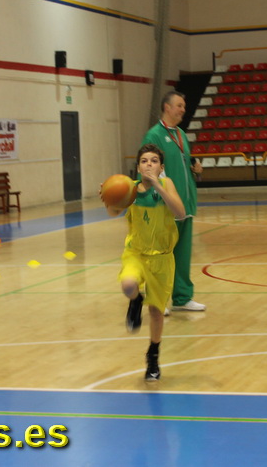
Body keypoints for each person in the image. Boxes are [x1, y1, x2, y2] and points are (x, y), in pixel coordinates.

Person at [104, 143, 185, 381]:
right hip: (136, 253)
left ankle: (153, 355)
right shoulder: (129, 189)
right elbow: (113, 212)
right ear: (138, 167)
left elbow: (180, 213)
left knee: (156, 312)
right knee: (128, 285)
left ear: (161, 167)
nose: (149, 164)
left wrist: (158, 185)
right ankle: (135, 299)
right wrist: (109, 198)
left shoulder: (166, 185)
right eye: (144, 161)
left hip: (162, 257)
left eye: (154, 161)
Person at [141, 91, 206, 312]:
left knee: (182, 255)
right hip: (165, 206)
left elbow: (182, 165)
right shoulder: (154, 135)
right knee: (161, 256)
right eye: (179, 106)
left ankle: (182, 298)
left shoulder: (181, 134)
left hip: (185, 205)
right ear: (167, 107)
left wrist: (195, 169)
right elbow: (148, 171)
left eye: (184, 106)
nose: (183, 110)